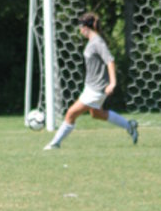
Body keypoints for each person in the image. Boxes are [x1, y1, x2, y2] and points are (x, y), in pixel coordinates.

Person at [44, 12, 138, 150]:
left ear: (85, 27)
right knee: (96, 114)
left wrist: (113, 83)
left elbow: (110, 61)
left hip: (96, 89)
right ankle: (129, 126)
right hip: (91, 87)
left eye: (80, 27)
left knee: (71, 113)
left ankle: (55, 144)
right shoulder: (92, 41)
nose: (80, 30)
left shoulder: (98, 42)